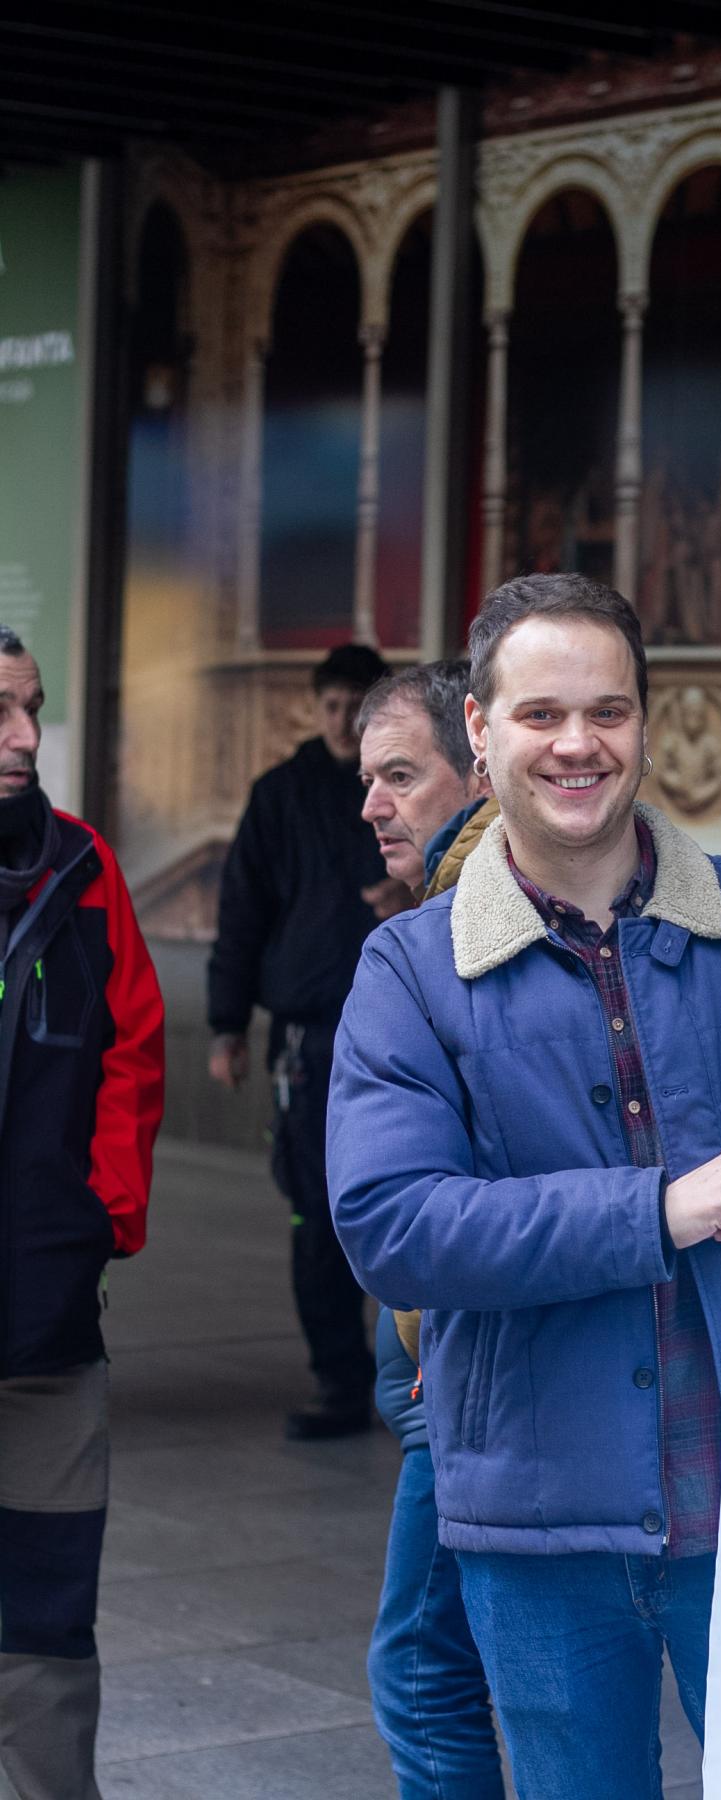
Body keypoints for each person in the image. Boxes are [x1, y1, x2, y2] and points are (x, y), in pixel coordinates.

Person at [326, 573, 721, 1798]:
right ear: (480, 730)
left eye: (610, 712)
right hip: (540, 1530)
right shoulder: (409, 970)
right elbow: (393, 1226)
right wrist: (653, 1207)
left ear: (645, 719)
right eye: (540, 715)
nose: (579, 744)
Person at [0, 626, 164, 1800]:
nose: (24, 737)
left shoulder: (82, 862)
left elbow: (136, 1047)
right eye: (0, 711)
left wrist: (102, 1217)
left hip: (46, 1317)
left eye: (34, 708)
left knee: (50, 1606)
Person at [354, 660, 501, 1797]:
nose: (373, 805)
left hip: (469, 1367)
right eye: (370, 779)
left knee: (419, 1665)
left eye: (400, 775)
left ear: (475, 763)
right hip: (441, 1360)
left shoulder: (474, 921)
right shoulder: (432, 919)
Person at [207, 641, 400, 1440]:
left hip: (394, 1021)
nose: (342, 724)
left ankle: (413, 1381)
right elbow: (241, 911)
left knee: (404, 1200)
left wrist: (414, 885)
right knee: (315, 1213)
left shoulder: (401, 789)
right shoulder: (279, 794)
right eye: (331, 707)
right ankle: (337, 1380)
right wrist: (225, 1025)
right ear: (315, 709)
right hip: (306, 1033)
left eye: (357, 709)